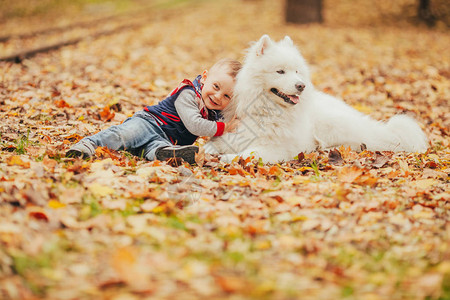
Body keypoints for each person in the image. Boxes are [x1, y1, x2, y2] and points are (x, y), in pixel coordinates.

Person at [66, 58, 242, 164]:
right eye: (216, 86)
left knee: (157, 150)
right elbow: (196, 125)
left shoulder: (214, 111)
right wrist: (224, 127)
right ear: (204, 78)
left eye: (227, 96)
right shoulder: (188, 93)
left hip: (166, 139)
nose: (218, 97)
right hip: (149, 123)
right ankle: (89, 144)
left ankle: (169, 154)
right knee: (124, 135)